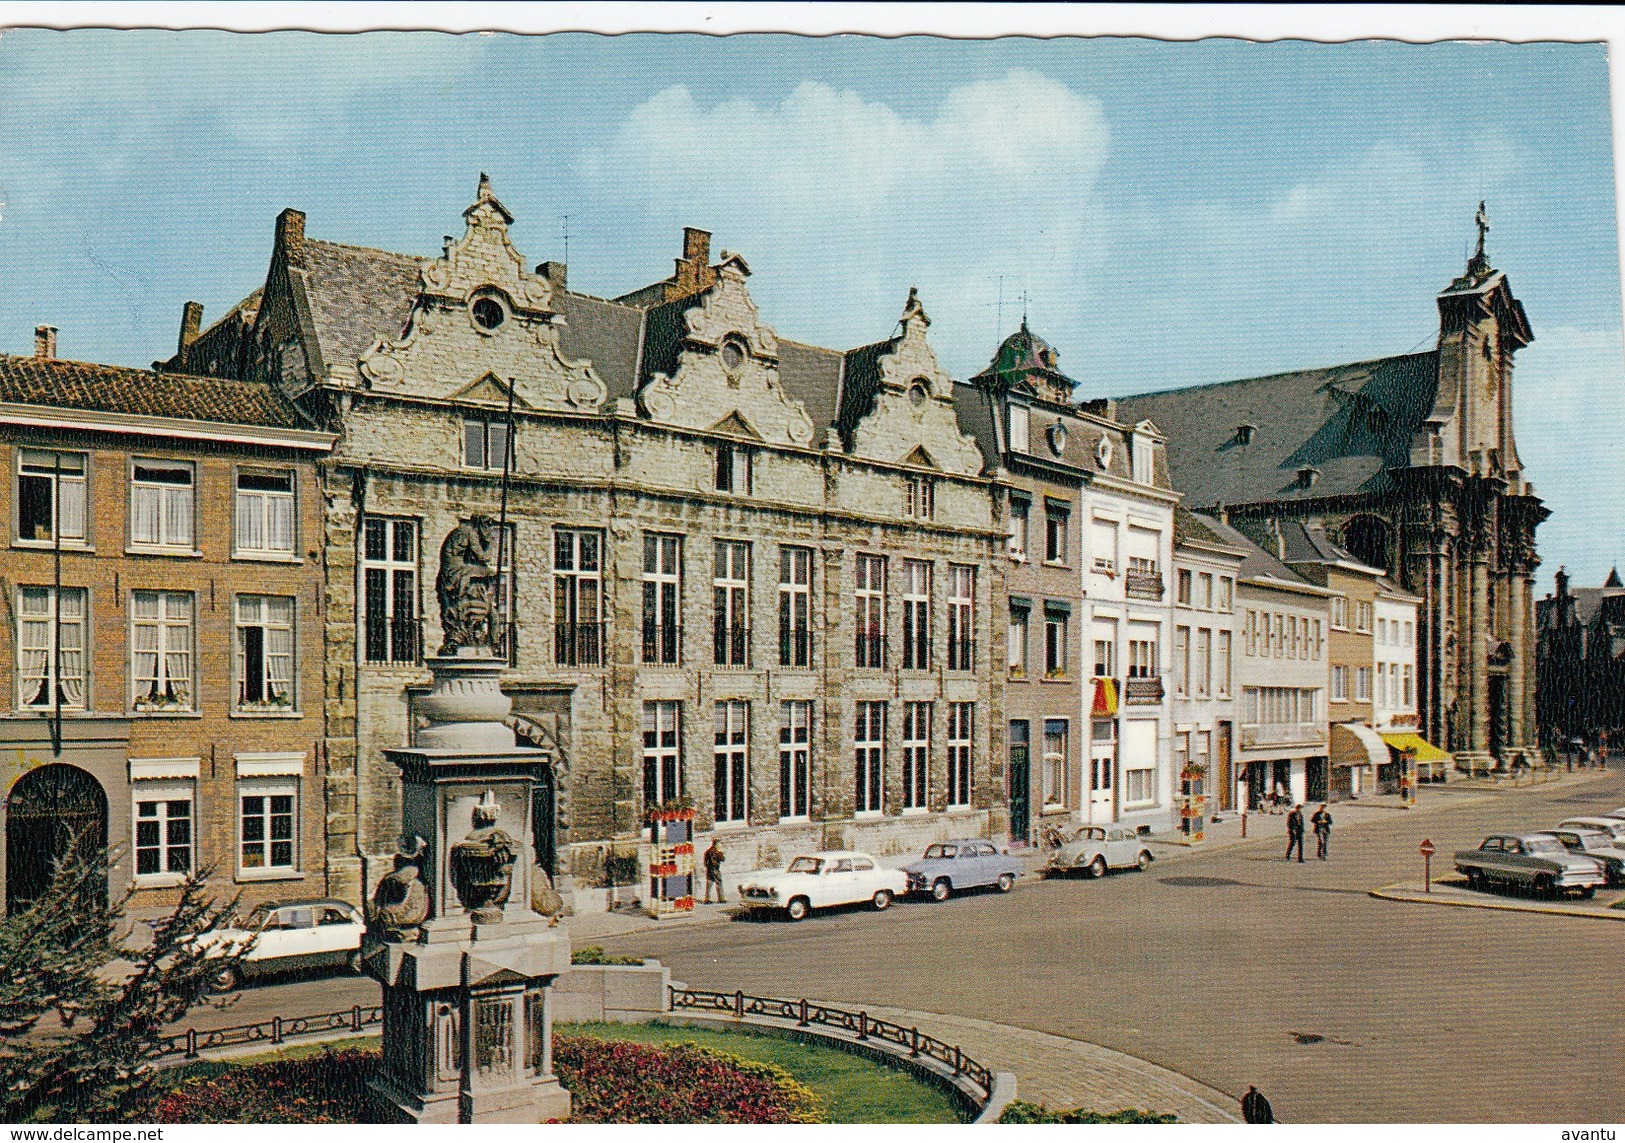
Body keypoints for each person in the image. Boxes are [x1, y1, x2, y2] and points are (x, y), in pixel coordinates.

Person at [702, 838, 726, 904]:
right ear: (716, 844)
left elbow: (705, 862)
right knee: (717, 883)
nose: (720, 845)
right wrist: (720, 855)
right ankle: (719, 898)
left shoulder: (709, 851)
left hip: (712, 869)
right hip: (714, 869)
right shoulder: (714, 851)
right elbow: (718, 860)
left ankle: (708, 899)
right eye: (719, 844)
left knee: (711, 884)